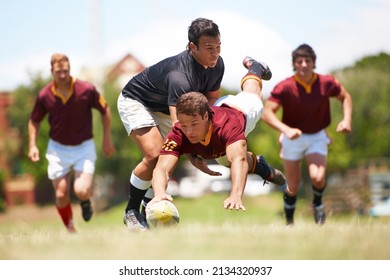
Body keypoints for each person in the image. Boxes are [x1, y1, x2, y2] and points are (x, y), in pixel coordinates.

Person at [144, 57, 285, 230]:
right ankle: (260, 165)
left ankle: (255, 68)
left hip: (242, 110)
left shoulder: (228, 126)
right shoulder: (179, 131)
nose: (188, 131)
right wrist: (159, 194)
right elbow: (162, 169)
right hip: (217, 125)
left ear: (206, 116)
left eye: (194, 125)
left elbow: (239, 160)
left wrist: (235, 195)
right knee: (224, 161)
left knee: (253, 94)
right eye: (184, 124)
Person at [117, 18, 226, 230]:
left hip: (169, 108)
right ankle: (130, 211)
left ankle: (149, 211)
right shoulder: (180, 76)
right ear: (192, 47)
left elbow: (211, 100)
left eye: (219, 47)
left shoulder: (217, 64)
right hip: (137, 100)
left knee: (168, 159)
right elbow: (180, 126)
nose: (215, 53)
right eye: (209, 48)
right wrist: (194, 153)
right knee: (156, 154)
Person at [261, 44, 353, 226]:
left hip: (317, 135)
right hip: (292, 137)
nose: (304, 64)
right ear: (294, 64)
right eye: (299, 61)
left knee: (318, 177)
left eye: (307, 61)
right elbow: (267, 112)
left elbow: (346, 97)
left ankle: (318, 204)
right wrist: (285, 129)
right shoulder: (285, 86)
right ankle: (289, 222)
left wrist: (346, 120)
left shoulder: (326, 82)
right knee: (293, 186)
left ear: (314, 63)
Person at [28, 53, 116, 233]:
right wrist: (32, 144)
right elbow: (34, 120)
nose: (62, 75)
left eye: (66, 71)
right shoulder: (45, 95)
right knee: (61, 194)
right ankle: (70, 228)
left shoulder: (86, 89)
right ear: (52, 71)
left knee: (81, 190)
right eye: (58, 71)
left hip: (84, 147)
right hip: (58, 149)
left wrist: (106, 138)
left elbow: (105, 110)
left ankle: (85, 200)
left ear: (70, 69)